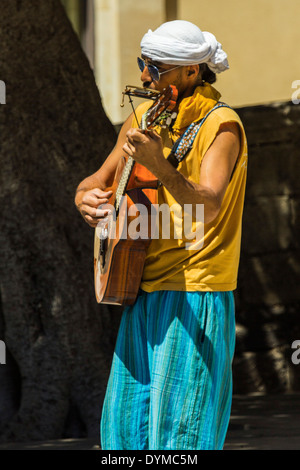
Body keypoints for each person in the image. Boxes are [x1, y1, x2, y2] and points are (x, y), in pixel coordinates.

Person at [75, 20, 248, 450]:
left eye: (156, 68)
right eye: (143, 64)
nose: (144, 77)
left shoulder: (221, 125)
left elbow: (207, 206)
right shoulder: (146, 116)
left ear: (192, 72)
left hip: (195, 290)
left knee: (180, 436)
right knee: (123, 432)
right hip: (142, 287)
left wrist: (160, 162)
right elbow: (94, 182)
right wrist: (84, 198)